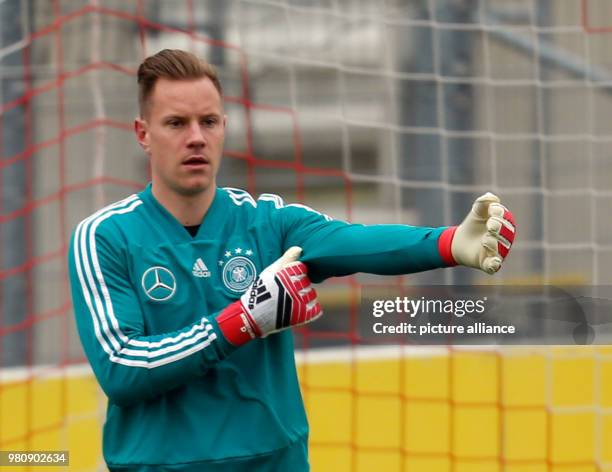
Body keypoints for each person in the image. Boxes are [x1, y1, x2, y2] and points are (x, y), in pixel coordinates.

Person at [68, 49, 516, 471]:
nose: (196, 138)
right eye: (176, 123)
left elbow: (351, 241)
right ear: (143, 134)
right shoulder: (105, 237)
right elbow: (123, 369)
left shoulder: (269, 222)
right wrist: (242, 321)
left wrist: (449, 243)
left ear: (224, 125)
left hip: (273, 461)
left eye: (208, 121)